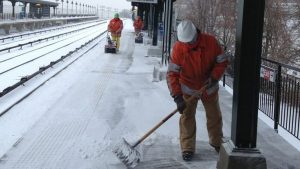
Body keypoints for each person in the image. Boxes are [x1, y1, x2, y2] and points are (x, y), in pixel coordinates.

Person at [166, 20, 228, 161]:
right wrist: (177, 97)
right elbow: (172, 74)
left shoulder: (211, 42)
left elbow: (222, 61)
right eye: (186, 42)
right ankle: (187, 147)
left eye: (191, 41)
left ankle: (217, 142)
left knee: (214, 116)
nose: (189, 44)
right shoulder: (178, 49)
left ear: (196, 34)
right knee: (187, 117)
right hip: (188, 88)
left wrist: (214, 77)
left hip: (208, 87)